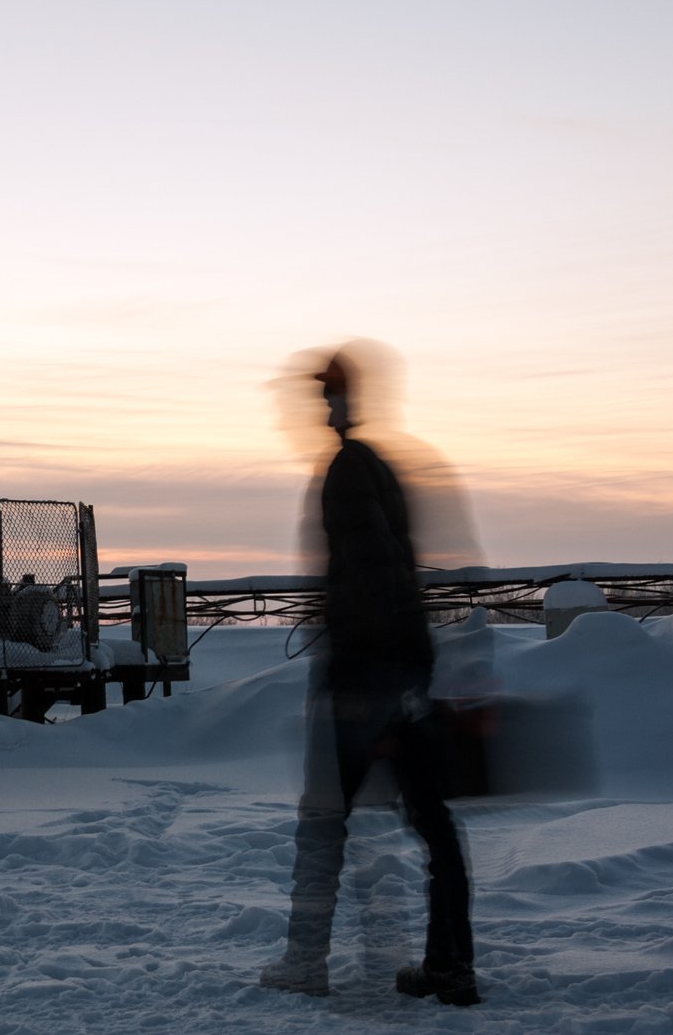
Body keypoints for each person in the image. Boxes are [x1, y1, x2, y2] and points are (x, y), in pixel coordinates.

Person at [258, 348, 478, 1006]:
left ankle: (304, 964)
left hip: (364, 678)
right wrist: (411, 675)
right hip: (405, 668)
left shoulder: (347, 470)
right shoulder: (381, 467)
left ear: (335, 401)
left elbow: (372, 570)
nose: (312, 407)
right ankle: (450, 966)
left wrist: (362, 683)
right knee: (433, 823)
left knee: (323, 821)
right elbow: (400, 573)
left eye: (320, 394)